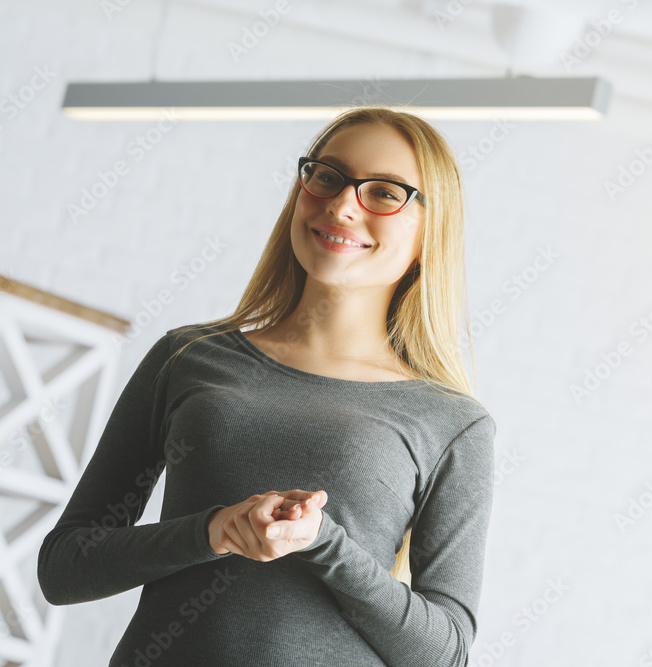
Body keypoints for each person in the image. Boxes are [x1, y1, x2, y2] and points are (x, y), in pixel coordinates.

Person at [37, 105, 498, 666]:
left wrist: (324, 544)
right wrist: (214, 531)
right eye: (327, 176)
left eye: (383, 192)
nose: (341, 204)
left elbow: (444, 652)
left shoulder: (452, 422)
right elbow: (66, 568)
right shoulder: (188, 357)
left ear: (430, 230)